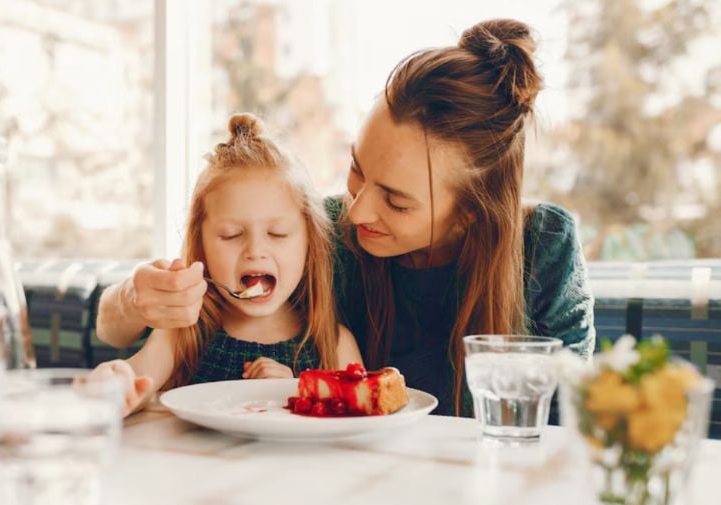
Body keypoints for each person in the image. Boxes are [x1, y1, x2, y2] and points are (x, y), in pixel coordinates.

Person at [96, 19, 595, 417]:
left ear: (469, 213)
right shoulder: (323, 229)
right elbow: (121, 332)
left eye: (397, 201)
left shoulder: (544, 246)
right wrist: (135, 299)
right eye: (357, 170)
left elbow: (570, 424)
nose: (357, 211)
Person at [93, 113, 363, 415]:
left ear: (310, 244)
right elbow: (138, 383)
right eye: (231, 235)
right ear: (202, 246)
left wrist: (295, 392)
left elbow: (356, 417)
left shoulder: (333, 342)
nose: (255, 251)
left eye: (277, 233)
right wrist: (117, 384)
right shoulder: (183, 331)